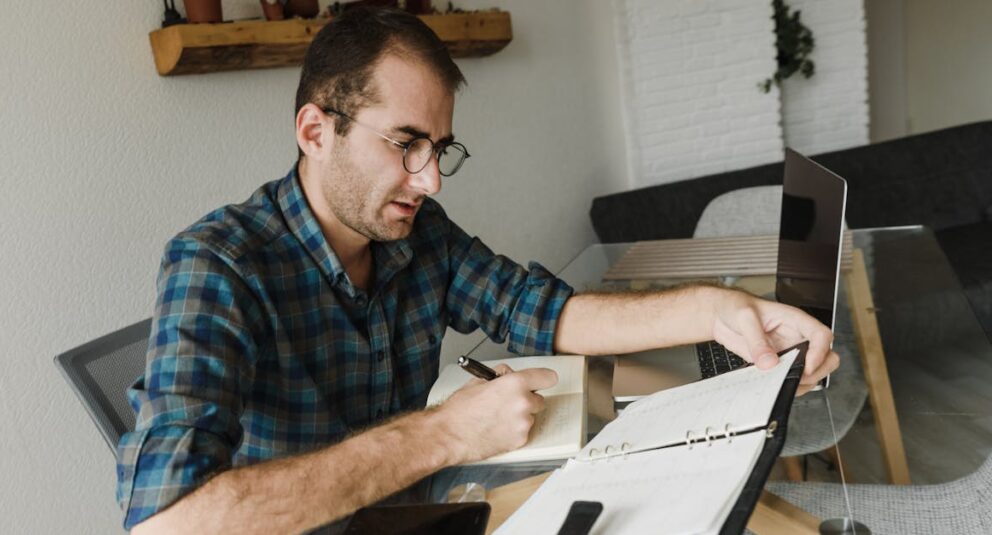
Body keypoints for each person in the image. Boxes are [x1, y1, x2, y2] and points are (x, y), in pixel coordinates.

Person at [117, 6, 839, 534]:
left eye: (439, 148)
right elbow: (168, 522)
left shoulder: (415, 234)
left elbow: (547, 311)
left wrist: (719, 310)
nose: (430, 180)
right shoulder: (218, 265)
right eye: (405, 144)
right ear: (315, 131)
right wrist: (446, 434)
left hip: (434, 516)